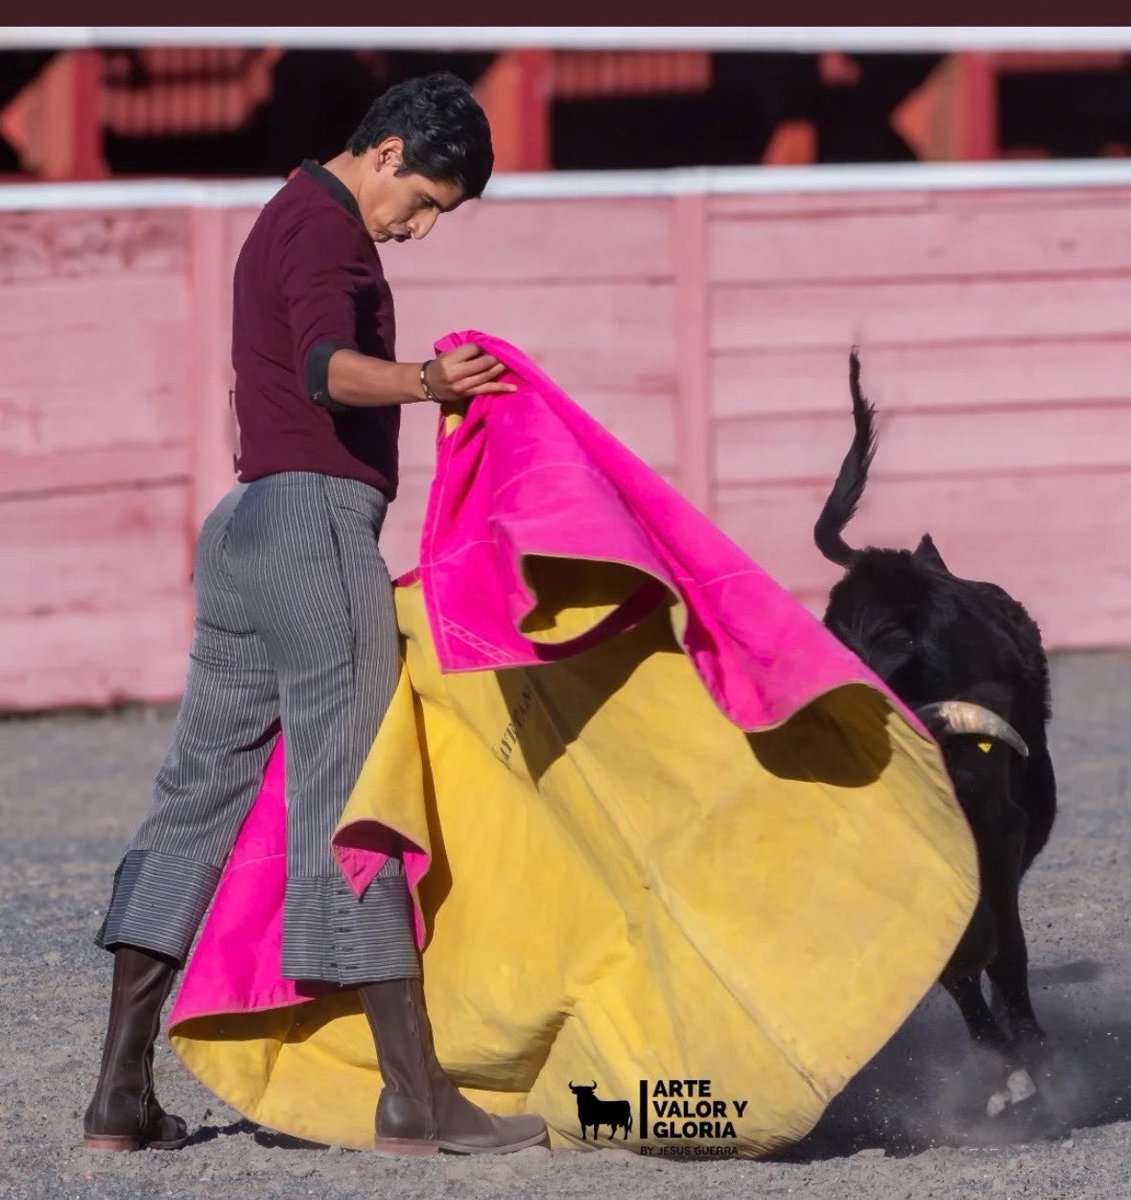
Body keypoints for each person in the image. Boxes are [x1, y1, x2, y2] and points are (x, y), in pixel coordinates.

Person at [83, 72, 548, 1158]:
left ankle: (116, 1098)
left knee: (192, 802)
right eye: (424, 201)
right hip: (316, 530)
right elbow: (326, 372)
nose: (422, 229)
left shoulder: (283, 217)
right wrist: (431, 382)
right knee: (358, 803)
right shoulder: (334, 235)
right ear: (385, 152)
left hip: (242, 531)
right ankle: (415, 1099)